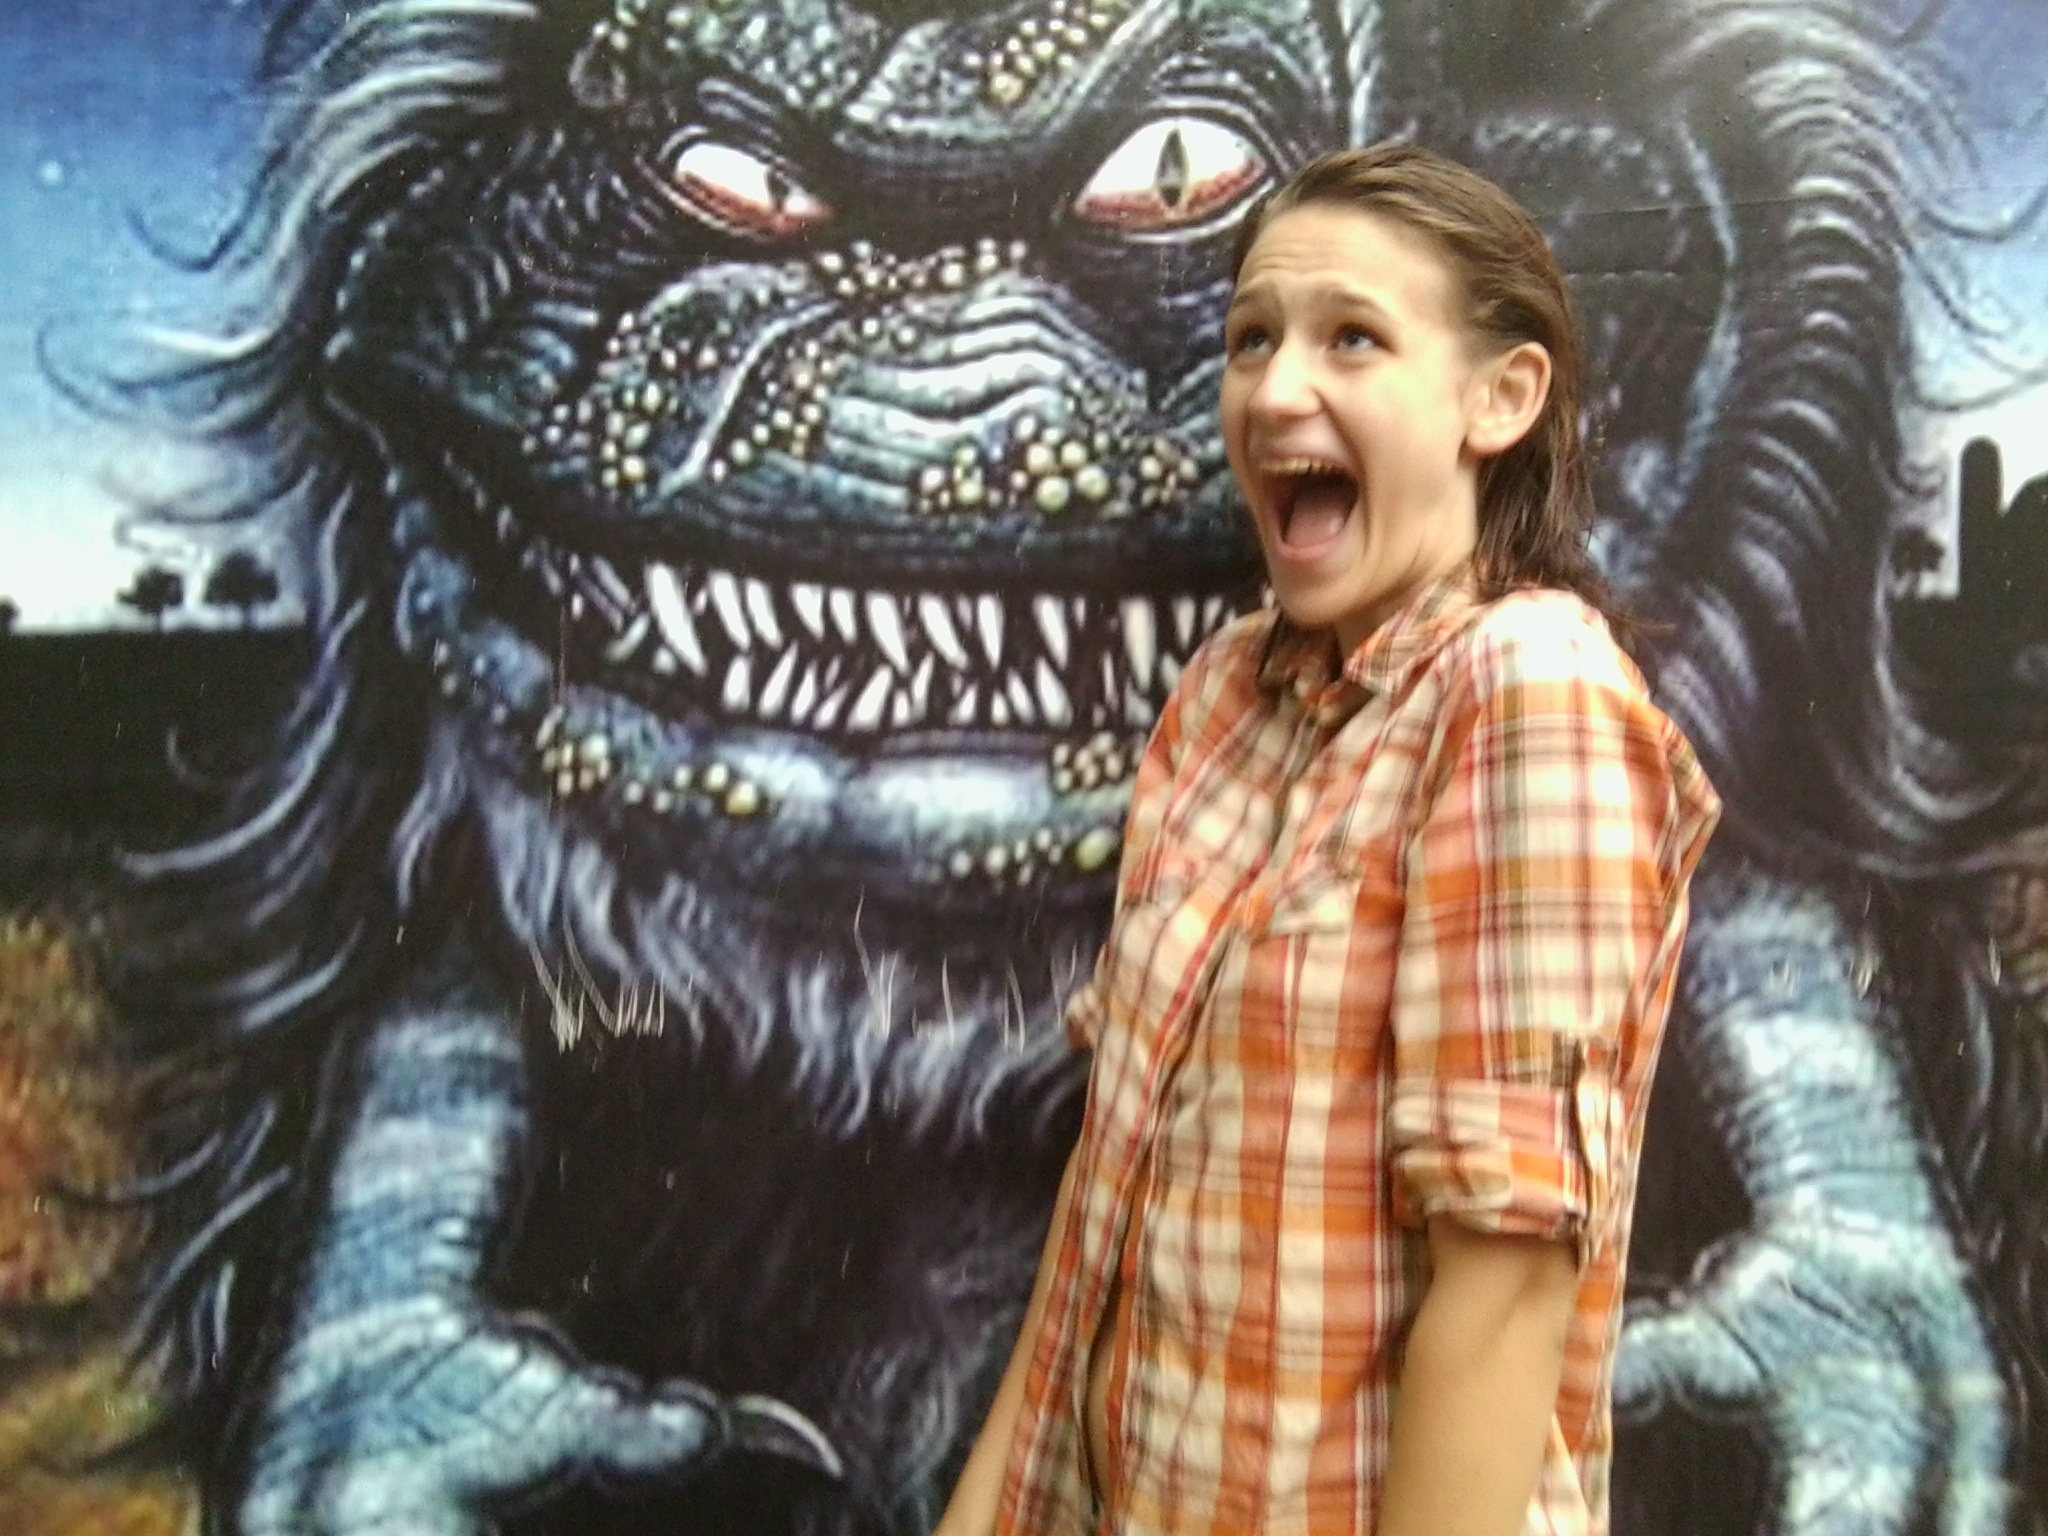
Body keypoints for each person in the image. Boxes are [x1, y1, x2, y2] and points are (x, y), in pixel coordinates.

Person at [936, 142, 1720, 1536]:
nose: (1275, 388)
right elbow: (1106, 1187)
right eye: (1252, 338)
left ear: (1500, 397)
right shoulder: (1224, 698)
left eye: (1352, 337)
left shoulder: (1527, 688)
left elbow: (1504, 1284)